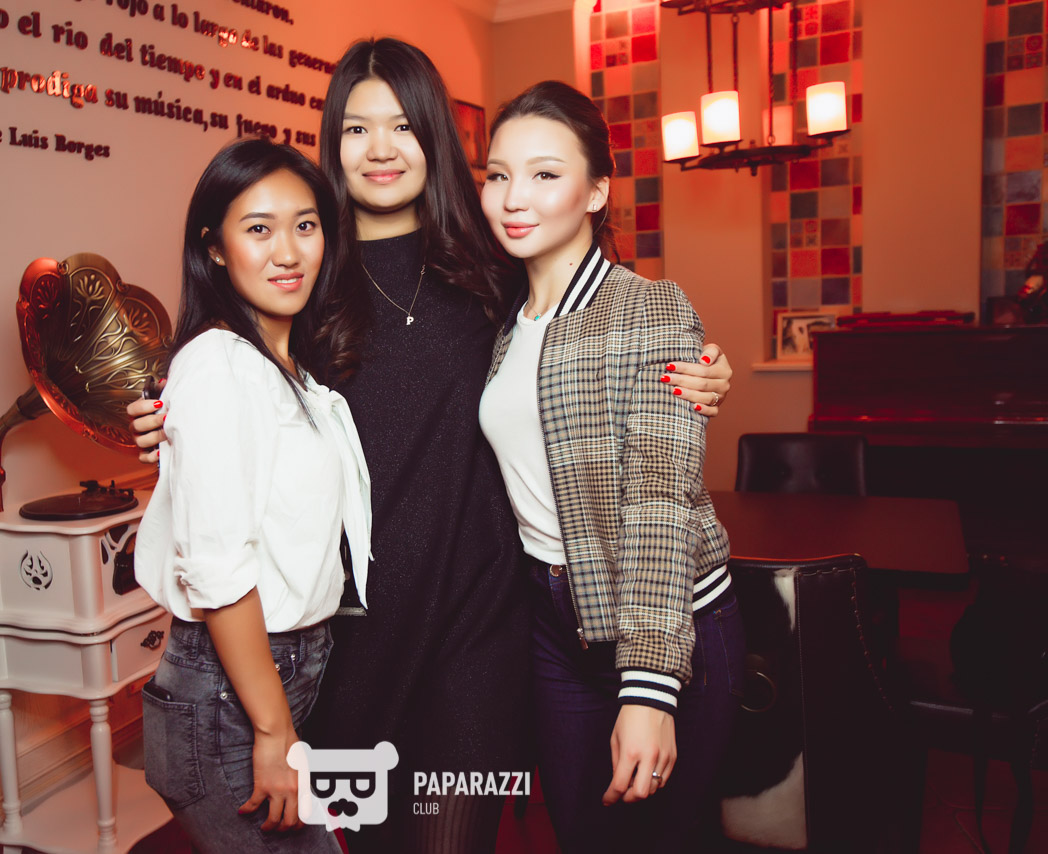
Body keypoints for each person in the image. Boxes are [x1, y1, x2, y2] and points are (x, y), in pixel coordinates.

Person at [129, 37, 736, 853]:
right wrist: (161, 417)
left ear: (435, 138)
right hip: (353, 641)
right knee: (375, 839)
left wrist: (699, 369)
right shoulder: (305, 274)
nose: (380, 149)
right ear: (333, 144)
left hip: (481, 628)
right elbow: (233, 392)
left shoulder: (494, 258)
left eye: (403, 126)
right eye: (357, 129)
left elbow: (592, 334)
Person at [477, 80, 745, 853]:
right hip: (553, 621)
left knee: (664, 840)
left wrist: (651, 689)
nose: (514, 197)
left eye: (545, 174)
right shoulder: (502, 320)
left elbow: (661, 503)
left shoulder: (649, 310)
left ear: (597, 191)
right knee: (582, 832)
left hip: (667, 620)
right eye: (498, 175)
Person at [132, 137, 370, 854]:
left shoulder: (286, 367)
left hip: (270, 678)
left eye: (305, 225)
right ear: (214, 248)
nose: (288, 252)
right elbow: (218, 567)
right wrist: (272, 729)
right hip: (229, 699)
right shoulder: (219, 366)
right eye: (259, 228)